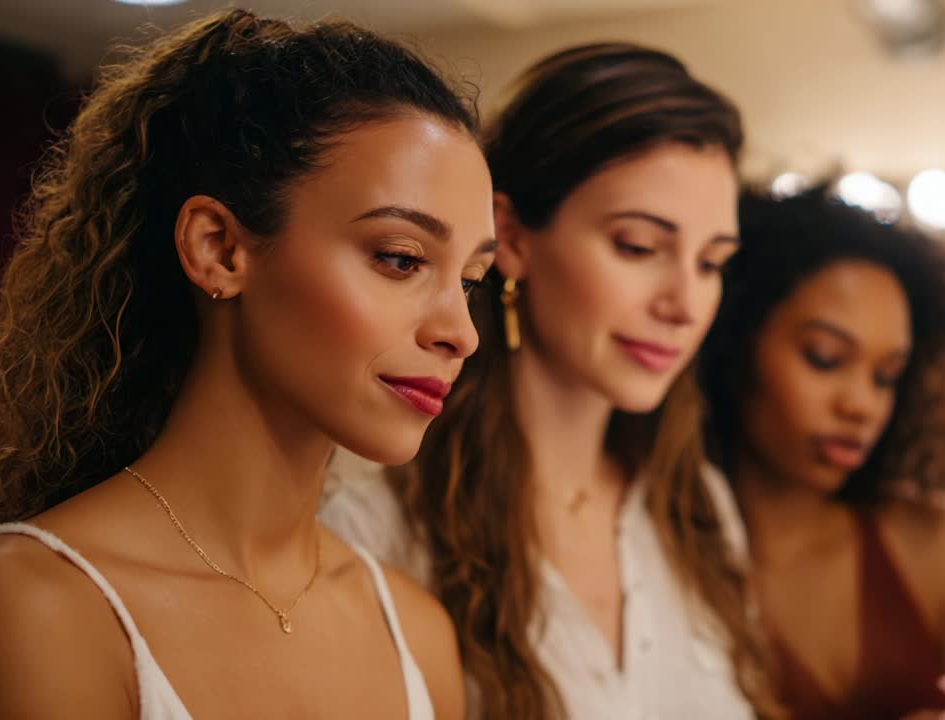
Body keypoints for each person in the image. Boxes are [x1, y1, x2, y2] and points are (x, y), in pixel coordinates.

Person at [0, 10, 495, 719]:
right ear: (220, 249)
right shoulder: (25, 611)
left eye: (472, 281)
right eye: (401, 259)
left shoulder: (418, 633)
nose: (460, 333)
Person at [322, 43, 777, 719]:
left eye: (711, 263)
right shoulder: (377, 528)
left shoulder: (697, 509)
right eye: (639, 247)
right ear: (512, 236)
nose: (684, 303)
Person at [700, 186, 945, 720]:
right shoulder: (664, 562)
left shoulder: (935, 547)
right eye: (825, 359)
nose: (862, 406)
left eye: (886, 377)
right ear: (733, 343)